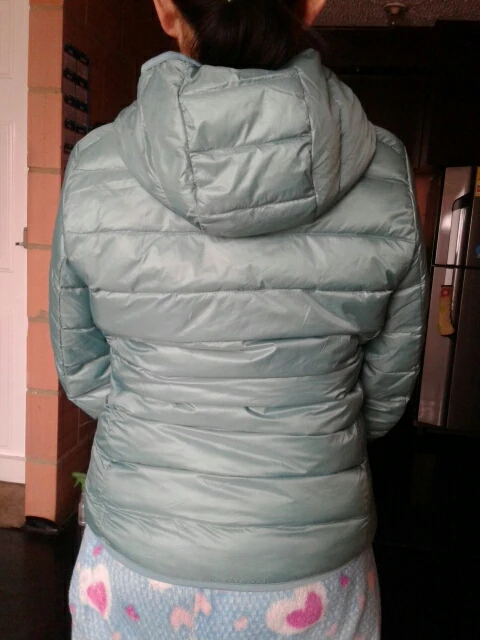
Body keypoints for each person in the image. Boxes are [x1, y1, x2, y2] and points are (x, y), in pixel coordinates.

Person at [49, 0, 427, 637]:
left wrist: (156, 419)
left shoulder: (95, 165)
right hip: (312, 565)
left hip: (138, 556)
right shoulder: (385, 169)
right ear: (312, 3)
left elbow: (82, 367)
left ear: (166, 8)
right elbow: (386, 396)